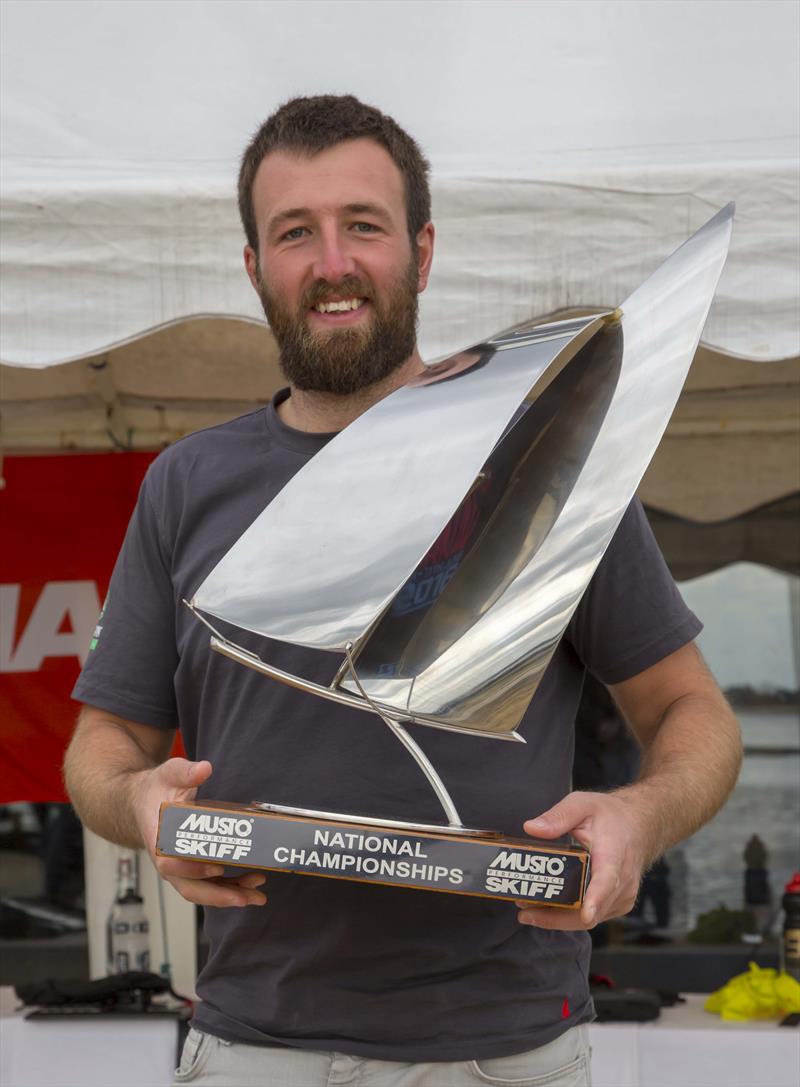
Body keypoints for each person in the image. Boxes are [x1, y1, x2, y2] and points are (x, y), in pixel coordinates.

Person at [64, 95, 742, 1086]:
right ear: (254, 268)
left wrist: (637, 818)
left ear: (420, 252)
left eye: (363, 226)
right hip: (257, 1045)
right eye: (294, 233)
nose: (332, 262)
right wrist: (138, 802)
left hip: (509, 1048)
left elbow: (695, 714)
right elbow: (100, 746)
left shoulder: (542, 462)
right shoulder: (187, 484)